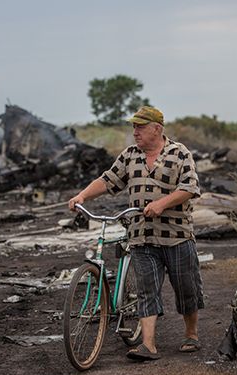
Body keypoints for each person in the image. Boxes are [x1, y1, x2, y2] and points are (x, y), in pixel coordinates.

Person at [68, 106, 204, 361]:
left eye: (140, 127)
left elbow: (190, 187)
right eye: (133, 126)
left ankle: (191, 333)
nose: (135, 131)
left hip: (177, 235)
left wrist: (162, 204)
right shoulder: (130, 155)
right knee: (146, 289)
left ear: (157, 128)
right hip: (141, 235)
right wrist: (82, 195)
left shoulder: (179, 153)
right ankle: (148, 345)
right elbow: (108, 180)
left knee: (186, 287)